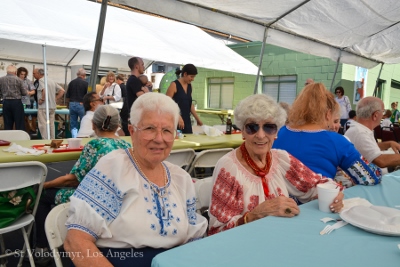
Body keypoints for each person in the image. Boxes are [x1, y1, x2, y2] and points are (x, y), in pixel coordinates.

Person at [64, 92, 207, 266]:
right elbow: (76, 241)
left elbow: (194, 238)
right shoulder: (114, 167)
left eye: (167, 130)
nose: (159, 139)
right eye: (150, 129)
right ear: (132, 131)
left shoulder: (181, 178)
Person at [208, 94, 344, 236]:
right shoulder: (229, 167)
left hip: (280, 237)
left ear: (276, 132)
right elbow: (217, 231)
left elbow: (316, 185)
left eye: (269, 127)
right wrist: (254, 215)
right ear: (242, 131)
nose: (260, 135)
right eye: (252, 127)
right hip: (245, 245)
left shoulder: (281, 158)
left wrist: (335, 196)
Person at [34, 105, 131, 265]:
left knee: (43, 196)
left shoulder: (95, 145)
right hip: (118, 200)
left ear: (93, 125)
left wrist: (44, 185)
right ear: (117, 125)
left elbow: (73, 179)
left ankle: (41, 248)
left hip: (93, 201)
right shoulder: (126, 146)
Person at [273, 83, 381, 185]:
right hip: (318, 201)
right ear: (328, 114)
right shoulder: (336, 141)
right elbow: (370, 178)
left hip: (280, 199)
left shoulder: (280, 132)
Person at [345, 96, 400, 169]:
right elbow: (381, 161)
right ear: (375, 115)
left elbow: (369, 148)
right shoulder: (360, 133)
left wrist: (389, 144)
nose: (383, 115)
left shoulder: (360, 129)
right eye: (382, 111)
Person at [166, 64, 203, 133]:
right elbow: (166, 103)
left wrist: (197, 119)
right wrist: (178, 116)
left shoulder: (190, 86)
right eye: (191, 76)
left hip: (187, 121)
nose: (193, 79)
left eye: (194, 77)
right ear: (185, 74)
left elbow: (190, 104)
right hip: (175, 120)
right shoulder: (174, 85)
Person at [34, 68, 65, 139]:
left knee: (43, 125)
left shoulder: (41, 80)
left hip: (44, 106)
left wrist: (42, 99)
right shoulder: (52, 81)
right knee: (51, 124)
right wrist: (56, 98)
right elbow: (62, 90)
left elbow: (43, 90)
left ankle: (45, 140)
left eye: (35, 73)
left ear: (39, 74)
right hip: (52, 106)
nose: (34, 75)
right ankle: (52, 139)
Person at [0, 65, 28, 130]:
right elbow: (24, 93)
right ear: (15, 72)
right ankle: (20, 138)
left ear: (7, 71)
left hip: (6, 102)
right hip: (17, 102)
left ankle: (8, 138)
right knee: (19, 123)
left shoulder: (1, 79)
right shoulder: (19, 80)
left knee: (7, 123)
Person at [17, 67, 36, 133]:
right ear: (18, 73)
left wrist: (29, 93)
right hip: (17, 101)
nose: (23, 76)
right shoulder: (15, 80)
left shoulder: (28, 81)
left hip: (26, 101)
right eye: (21, 74)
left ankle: (26, 131)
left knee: (26, 117)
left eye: (24, 74)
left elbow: (33, 91)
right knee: (17, 117)